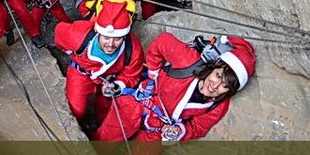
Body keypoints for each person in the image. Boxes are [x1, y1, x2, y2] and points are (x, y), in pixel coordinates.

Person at [93, 32, 255, 143]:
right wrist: (153, 71)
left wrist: (179, 131)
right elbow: (163, 41)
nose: (215, 85)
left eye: (225, 86)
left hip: (159, 129)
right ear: (213, 68)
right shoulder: (189, 62)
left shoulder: (218, 104)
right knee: (104, 142)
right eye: (218, 76)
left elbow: (198, 126)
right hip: (138, 104)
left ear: (230, 91)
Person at [54, 0, 143, 132]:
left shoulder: (133, 49)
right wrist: (70, 52)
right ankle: (79, 128)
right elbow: (59, 32)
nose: (111, 44)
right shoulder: (79, 35)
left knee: (106, 111)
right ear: (97, 30)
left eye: (117, 38)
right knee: (77, 109)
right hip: (80, 73)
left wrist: (118, 85)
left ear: (125, 36)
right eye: (106, 37)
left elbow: (132, 74)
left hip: (109, 79)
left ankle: (98, 129)